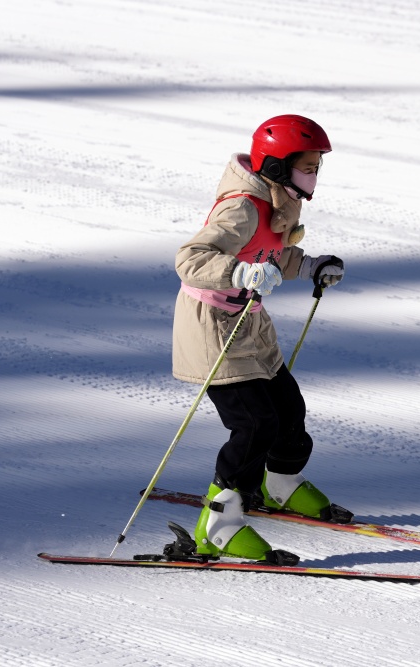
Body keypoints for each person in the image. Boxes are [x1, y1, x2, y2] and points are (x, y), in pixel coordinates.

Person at [172, 115, 350, 564]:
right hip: (211, 325)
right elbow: (190, 259)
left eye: (316, 166)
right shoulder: (242, 207)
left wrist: (309, 266)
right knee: (254, 425)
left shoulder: (280, 199)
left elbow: (269, 253)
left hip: (249, 320)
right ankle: (218, 525)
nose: (313, 175)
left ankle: (281, 486)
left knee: (288, 409)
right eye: (306, 165)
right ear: (276, 165)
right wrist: (236, 271)